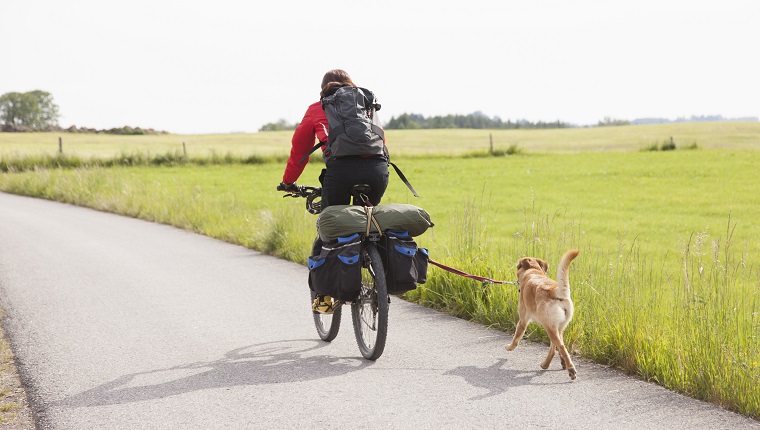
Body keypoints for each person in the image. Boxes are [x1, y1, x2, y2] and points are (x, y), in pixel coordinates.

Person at [277, 69, 390, 313]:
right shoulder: (366, 104)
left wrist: (288, 182)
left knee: (328, 229)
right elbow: (382, 142)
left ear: (324, 89)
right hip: (377, 171)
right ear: (352, 85)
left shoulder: (318, 108)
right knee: (371, 224)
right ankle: (380, 276)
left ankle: (325, 301)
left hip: (340, 173)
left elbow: (299, 151)